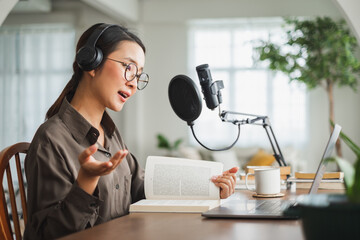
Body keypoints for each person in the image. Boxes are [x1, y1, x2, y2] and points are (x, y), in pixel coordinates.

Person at [23, 23, 239, 240]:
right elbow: (48, 234)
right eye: (129, 67)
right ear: (91, 62)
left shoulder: (110, 133)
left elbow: (142, 187)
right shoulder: (50, 140)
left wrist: (211, 186)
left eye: (139, 75)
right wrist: (86, 182)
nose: (134, 84)